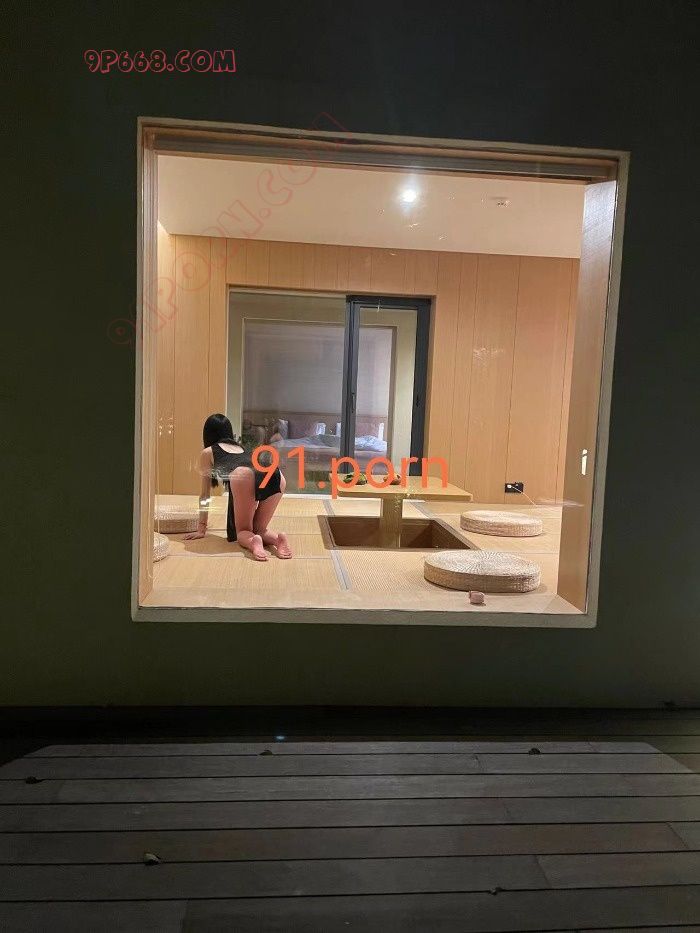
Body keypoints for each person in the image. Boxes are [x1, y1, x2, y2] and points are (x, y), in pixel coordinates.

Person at [184, 413, 292, 561]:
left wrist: (201, 528)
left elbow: (205, 495)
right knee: (259, 529)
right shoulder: (242, 448)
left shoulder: (208, 452)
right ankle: (278, 539)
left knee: (243, 531)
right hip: (276, 475)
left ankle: (253, 542)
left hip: (244, 475)